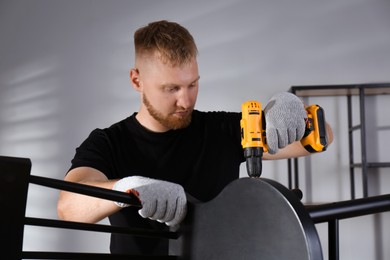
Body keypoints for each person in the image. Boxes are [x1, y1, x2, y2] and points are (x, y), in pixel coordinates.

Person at [57, 20, 333, 255]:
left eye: (192, 84)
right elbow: (69, 207)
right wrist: (126, 189)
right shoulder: (109, 142)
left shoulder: (221, 129)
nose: (185, 101)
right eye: (171, 88)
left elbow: (324, 137)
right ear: (136, 80)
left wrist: (292, 112)